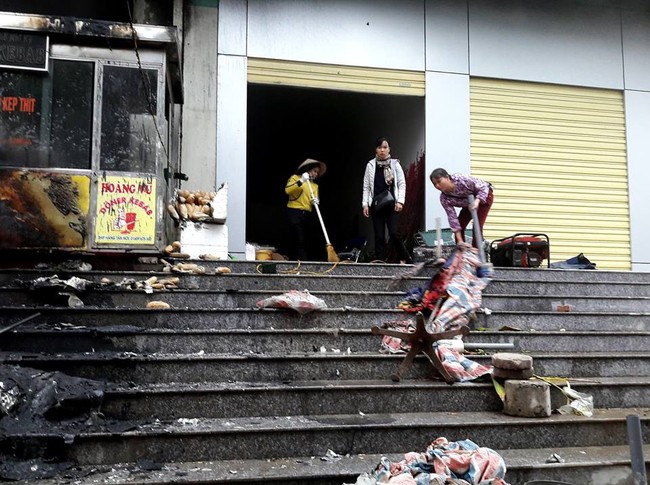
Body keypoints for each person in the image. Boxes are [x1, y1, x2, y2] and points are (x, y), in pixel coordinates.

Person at [362, 137, 412, 264]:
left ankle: (404, 257)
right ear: (376, 150)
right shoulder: (370, 165)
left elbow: (402, 183)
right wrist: (365, 204)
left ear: (389, 149)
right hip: (376, 205)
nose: (382, 150)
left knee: (394, 233)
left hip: (392, 205)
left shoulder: (395, 164)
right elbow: (366, 186)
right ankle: (380, 261)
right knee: (379, 235)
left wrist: (400, 201)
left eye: (385, 147)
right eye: (379, 147)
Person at [430, 167, 493, 248]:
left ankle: (476, 253)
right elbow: (453, 219)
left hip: (484, 197)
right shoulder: (444, 198)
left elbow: (484, 186)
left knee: (477, 227)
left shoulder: (461, 180)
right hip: (468, 203)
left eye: (439, 181)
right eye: (434, 184)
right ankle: (462, 251)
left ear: (447, 177)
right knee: (460, 224)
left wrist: (477, 201)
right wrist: (460, 241)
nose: (437, 186)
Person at [285, 158, 326, 261]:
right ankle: (297, 260)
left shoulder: (315, 186)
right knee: (298, 238)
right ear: (308, 169)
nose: (316, 174)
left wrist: (316, 201)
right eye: (314, 171)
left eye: (317, 172)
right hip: (294, 211)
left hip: (307, 214)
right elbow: (288, 190)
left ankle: (305, 261)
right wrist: (301, 181)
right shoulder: (295, 178)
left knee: (307, 238)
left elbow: (315, 198)